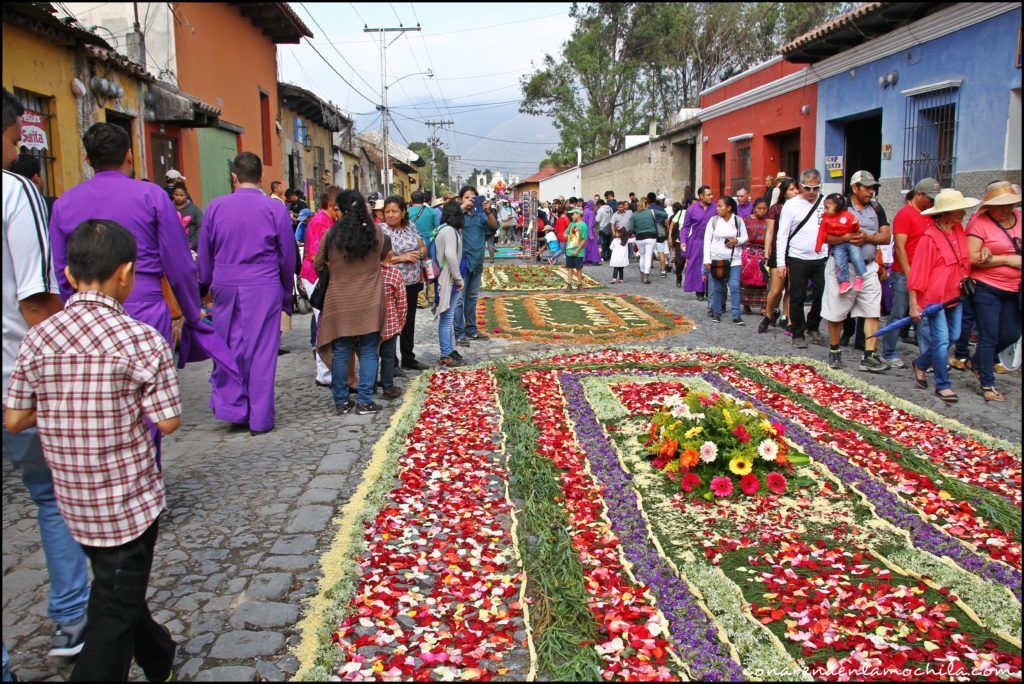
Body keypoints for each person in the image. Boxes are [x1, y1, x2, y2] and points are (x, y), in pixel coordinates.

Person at [5, 219, 179, 681]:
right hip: (128, 504)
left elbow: (15, 419)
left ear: (66, 273)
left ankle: (158, 653)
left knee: (115, 588)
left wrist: (65, 406)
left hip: (74, 502)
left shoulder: (39, 338)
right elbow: (167, 420)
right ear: (126, 274)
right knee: (111, 613)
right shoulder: (141, 340)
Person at [2, 87, 90, 660]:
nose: (14, 150)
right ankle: (71, 620)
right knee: (52, 496)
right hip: (17, 379)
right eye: (13, 139)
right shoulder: (14, 191)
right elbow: (36, 297)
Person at [199, 152, 296, 435]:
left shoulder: (215, 207)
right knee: (263, 352)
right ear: (261, 178)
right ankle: (260, 418)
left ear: (234, 176)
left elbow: (205, 254)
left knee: (230, 346)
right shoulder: (274, 208)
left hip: (226, 283)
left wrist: (205, 285)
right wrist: (285, 290)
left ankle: (235, 409)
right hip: (263, 283)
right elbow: (287, 255)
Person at [314, 191, 384, 416]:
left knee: (342, 350)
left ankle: (342, 401)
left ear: (341, 210)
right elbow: (380, 257)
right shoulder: (377, 232)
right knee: (368, 350)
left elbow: (317, 264)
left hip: (340, 299)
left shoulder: (332, 234)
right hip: (370, 298)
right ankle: (364, 401)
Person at [909, 189, 978, 403]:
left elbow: (963, 260)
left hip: (955, 294)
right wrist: (914, 303)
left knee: (955, 336)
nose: (964, 213)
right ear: (946, 212)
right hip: (934, 298)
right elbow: (918, 272)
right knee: (941, 340)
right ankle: (943, 384)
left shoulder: (959, 230)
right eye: (960, 210)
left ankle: (921, 363)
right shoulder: (929, 238)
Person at [820, 170, 891, 373]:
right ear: (855, 188)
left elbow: (886, 236)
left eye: (873, 188)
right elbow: (826, 236)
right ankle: (834, 350)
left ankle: (869, 355)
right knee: (836, 311)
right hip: (843, 266)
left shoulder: (877, 208)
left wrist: (867, 238)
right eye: (866, 187)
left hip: (868, 266)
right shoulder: (840, 206)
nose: (870, 191)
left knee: (872, 310)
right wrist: (847, 238)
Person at [963, 181, 1022, 402]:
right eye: (999, 205)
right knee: (989, 335)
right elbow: (971, 258)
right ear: (989, 206)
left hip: (1014, 289)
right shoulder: (980, 223)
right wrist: (1006, 259)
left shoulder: (1019, 218)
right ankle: (987, 383)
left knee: (1011, 333)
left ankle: (976, 361)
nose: (1005, 209)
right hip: (986, 287)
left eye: (1008, 205)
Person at [882, 177, 941, 366]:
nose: (932, 201)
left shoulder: (932, 214)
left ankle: (926, 358)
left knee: (923, 317)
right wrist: (910, 275)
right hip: (904, 273)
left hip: (926, 273)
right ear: (919, 194)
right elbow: (900, 247)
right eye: (930, 198)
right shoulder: (905, 214)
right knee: (899, 313)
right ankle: (889, 351)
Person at [776, 168, 828, 349]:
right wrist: (781, 262)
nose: (812, 192)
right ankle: (798, 332)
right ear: (800, 187)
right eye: (807, 188)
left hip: (821, 257)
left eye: (816, 188)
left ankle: (813, 326)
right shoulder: (791, 206)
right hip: (797, 257)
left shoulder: (825, 203)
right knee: (797, 296)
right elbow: (782, 234)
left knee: (821, 293)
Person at [299, 186, 344, 387]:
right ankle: (324, 373)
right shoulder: (320, 222)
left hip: (321, 275)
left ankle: (328, 369)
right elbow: (318, 256)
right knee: (323, 323)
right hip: (316, 276)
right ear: (332, 206)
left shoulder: (326, 220)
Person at [381, 195, 429, 371]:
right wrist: (403, 257)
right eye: (387, 212)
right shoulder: (381, 230)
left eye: (394, 211)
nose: (391, 215)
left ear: (403, 212)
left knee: (409, 321)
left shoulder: (411, 226)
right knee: (392, 323)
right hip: (390, 284)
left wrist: (420, 253)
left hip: (412, 281)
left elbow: (422, 246)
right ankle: (390, 363)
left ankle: (408, 357)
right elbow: (378, 258)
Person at [759, 178, 798, 333]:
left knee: (791, 288)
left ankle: (787, 318)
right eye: (791, 189)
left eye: (796, 189)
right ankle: (768, 314)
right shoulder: (776, 208)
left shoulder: (802, 208)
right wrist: (766, 252)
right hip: (778, 251)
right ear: (784, 193)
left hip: (795, 252)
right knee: (776, 290)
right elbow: (769, 232)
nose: (795, 192)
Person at [703, 196, 748, 324]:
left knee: (734, 285)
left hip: (734, 259)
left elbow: (745, 237)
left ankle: (736, 314)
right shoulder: (714, 221)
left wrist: (736, 241)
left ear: (729, 208)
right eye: (717, 206)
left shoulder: (738, 221)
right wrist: (707, 260)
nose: (717, 208)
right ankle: (717, 312)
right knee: (717, 287)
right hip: (717, 259)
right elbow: (707, 241)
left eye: (720, 206)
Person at [432, 200, 465, 368]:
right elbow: (451, 256)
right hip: (448, 279)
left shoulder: (442, 229)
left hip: (445, 278)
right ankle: (446, 353)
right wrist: (459, 279)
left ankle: (449, 349)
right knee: (447, 318)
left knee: (447, 316)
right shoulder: (450, 231)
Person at [815, 193, 866, 293]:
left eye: (827, 208)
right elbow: (822, 232)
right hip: (838, 244)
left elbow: (855, 228)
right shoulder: (826, 218)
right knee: (839, 261)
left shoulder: (847, 215)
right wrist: (818, 246)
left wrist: (855, 225)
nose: (825, 210)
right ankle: (844, 282)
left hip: (851, 242)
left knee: (856, 256)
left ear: (837, 207)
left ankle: (859, 276)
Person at [378, 235, 407, 399]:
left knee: (370, 355)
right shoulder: (395, 274)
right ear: (390, 254)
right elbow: (402, 304)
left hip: (370, 324)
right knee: (388, 357)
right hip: (390, 324)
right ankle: (388, 387)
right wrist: (400, 324)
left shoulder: (368, 272)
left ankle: (369, 387)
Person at [682, 185, 716, 299]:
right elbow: (686, 227)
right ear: (701, 196)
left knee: (711, 265)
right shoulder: (692, 209)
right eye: (708, 195)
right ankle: (699, 290)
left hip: (713, 240)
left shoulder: (716, 207)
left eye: (712, 194)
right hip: (697, 240)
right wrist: (683, 240)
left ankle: (710, 289)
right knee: (697, 266)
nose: (711, 196)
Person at [409, 190, 439, 308]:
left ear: (411, 200)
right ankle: (431, 297)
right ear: (424, 200)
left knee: (417, 271)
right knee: (429, 269)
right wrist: (430, 237)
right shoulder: (431, 212)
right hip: (429, 244)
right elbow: (437, 228)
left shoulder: (407, 211)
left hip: (413, 244)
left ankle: (421, 300)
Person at [740, 198, 769, 313]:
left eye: (764, 209)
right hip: (749, 254)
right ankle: (746, 305)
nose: (762, 211)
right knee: (746, 281)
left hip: (764, 253)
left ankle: (763, 307)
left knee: (764, 281)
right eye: (759, 208)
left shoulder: (769, 221)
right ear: (754, 208)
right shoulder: (746, 220)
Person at [170, 182, 203, 252]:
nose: (178, 197)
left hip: (190, 247)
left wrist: (193, 243)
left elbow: (201, 225)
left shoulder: (194, 209)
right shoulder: (168, 208)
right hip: (173, 246)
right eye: (176, 195)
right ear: (173, 195)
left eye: (181, 195)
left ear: (186, 196)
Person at [565, 206, 588, 291]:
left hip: (578, 251)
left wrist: (577, 250)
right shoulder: (571, 224)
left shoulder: (583, 225)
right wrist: (569, 235)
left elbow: (584, 239)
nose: (572, 216)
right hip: (569, 251)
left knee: (579, 268)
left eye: (573, 214)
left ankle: (579, 284)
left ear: (578, 214)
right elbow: (565, 234)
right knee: (569, 268)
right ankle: (569, 284)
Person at [649, 192, 670, 277]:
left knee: (649, 251)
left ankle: (648, 268)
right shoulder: (661, 209)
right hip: (660, 232)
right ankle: (663, 271)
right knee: (661, 252)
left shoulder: (648, 209)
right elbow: (666, 222)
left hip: (650, 231)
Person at [669, 201, 686, 288]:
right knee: (680, 261)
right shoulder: (681, 213)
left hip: (693, 240)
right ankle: (678, 277)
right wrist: (670, 237)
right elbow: (672, 224)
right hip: (680, 240)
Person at [582, 198, 602, 265]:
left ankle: (585, 260)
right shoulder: (591, 212)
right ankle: (594, 260)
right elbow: (590, 224)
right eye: (593, 205)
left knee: (586, 246)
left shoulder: (585, 210)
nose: (594, 206)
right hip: (589, 231)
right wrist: (590, 234)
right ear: (591, 205)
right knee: (594, 246)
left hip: (584, 230)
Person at [595, 197, 614, 262]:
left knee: (603, 244)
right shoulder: (610, 209)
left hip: (602, 228)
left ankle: (605, 257)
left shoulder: (600, 210)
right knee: (609, 243)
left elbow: (597, 220)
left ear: (599, 204)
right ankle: (609, 256)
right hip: (609, 228)